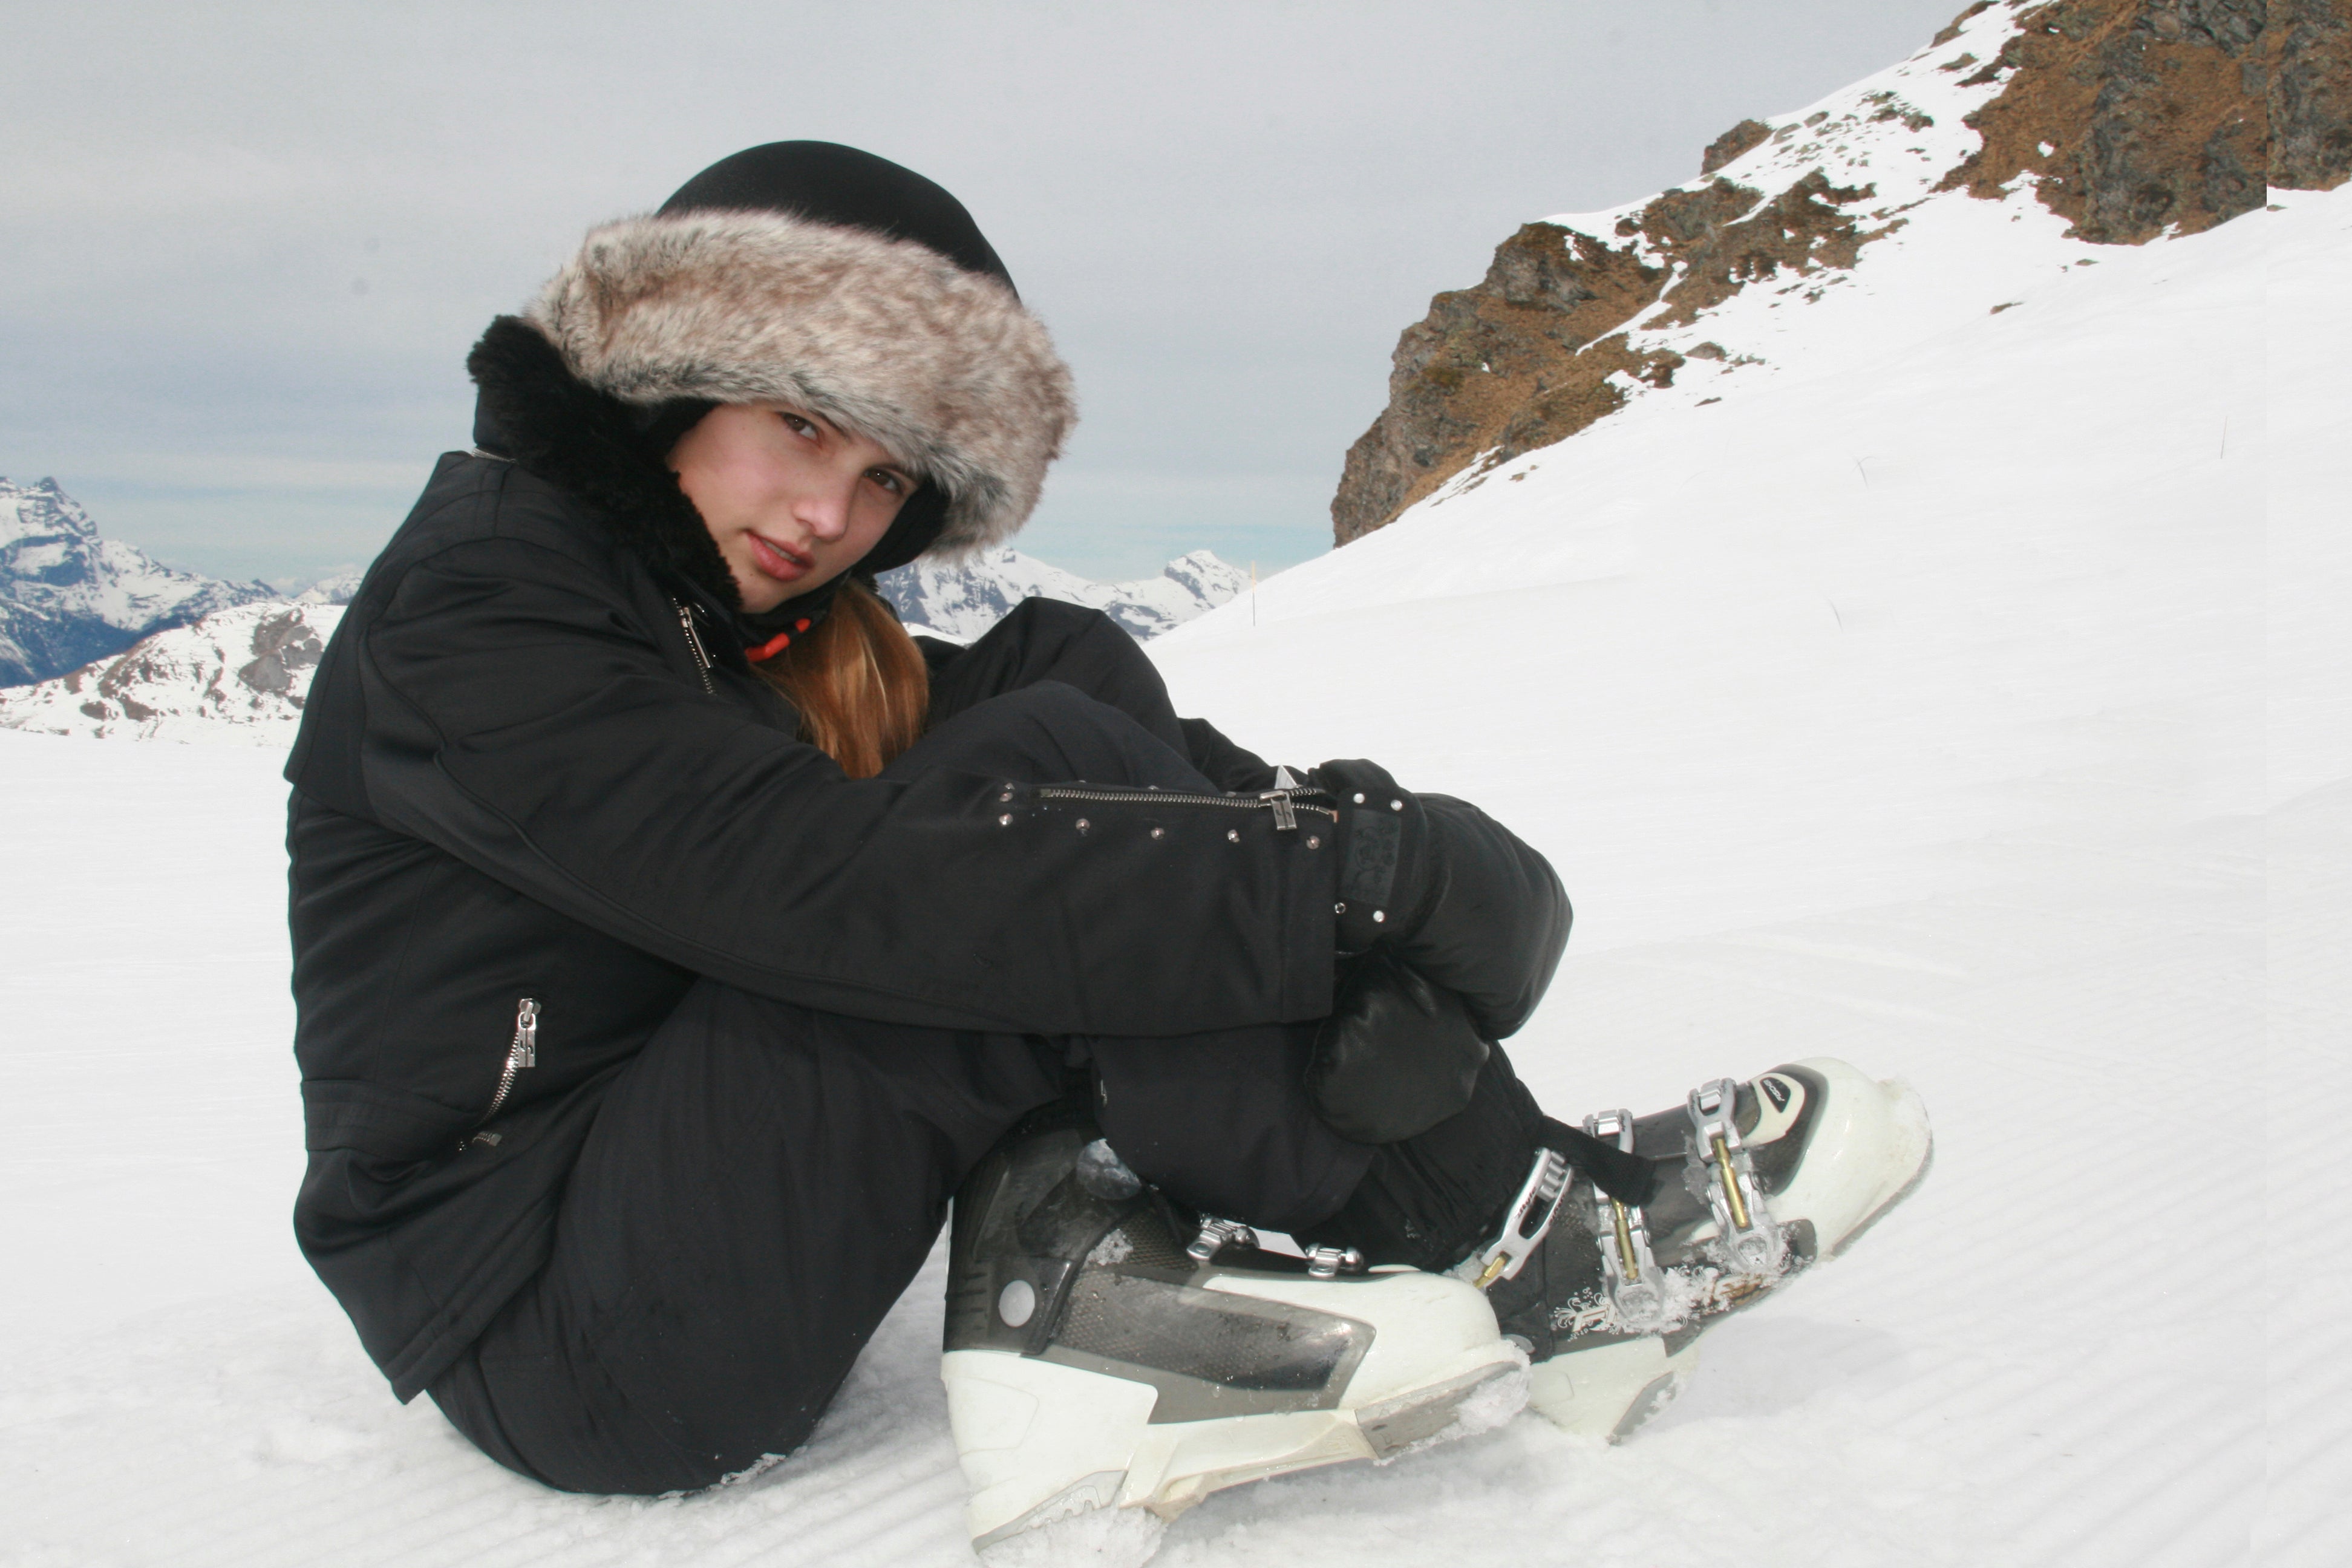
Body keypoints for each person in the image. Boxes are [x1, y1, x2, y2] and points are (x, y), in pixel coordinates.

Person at [286, 142, 1931, 1562]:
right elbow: (820, 886)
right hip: (563, 1323)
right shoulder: (490, 596)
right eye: (795, 425)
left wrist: (1343, 871)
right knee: (1017, 805)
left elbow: (1034, 771)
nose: (828, 517)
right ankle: (1524, 1236)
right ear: (672, 379)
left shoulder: (735, 621)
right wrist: (1351, 885)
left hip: (666, 1181)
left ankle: (1178, 1257)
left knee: (1057, 682)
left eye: (880, 477)